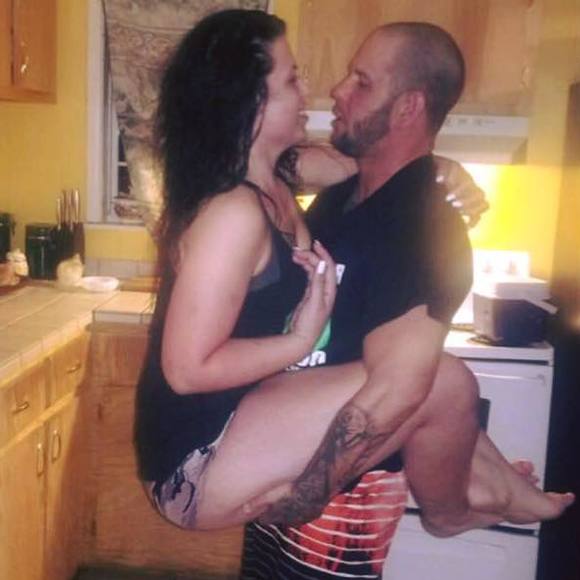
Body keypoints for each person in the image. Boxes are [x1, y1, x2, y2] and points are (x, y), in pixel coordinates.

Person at [134, 9, 569, 542]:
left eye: (356, 80)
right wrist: (297, 344)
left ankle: (489, 478)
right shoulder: (232, 213)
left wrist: (439, 170)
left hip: (244, 414)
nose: (317, 90)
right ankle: (451, 510)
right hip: (194, 464)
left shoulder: (280, 175)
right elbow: (186, 371)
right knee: (444, 380)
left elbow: (377, 168)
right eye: (292, 79)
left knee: (427, 378)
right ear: (251, 102)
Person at [238, 21, 575, 580]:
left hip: (342, 499)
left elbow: (397, 390)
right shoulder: (345, 193)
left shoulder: (427, 230)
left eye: (362, 81)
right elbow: (266, 162)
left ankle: (462, 501)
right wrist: (426, 166)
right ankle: (484, 480)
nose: (338, 90)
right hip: (290, 454)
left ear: (408, 107)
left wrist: (305, 496)